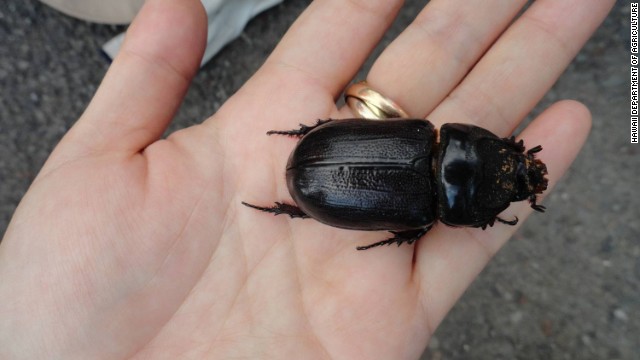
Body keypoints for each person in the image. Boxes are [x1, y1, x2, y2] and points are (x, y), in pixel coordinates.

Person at [0, 0, 614, 358]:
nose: (509, 166)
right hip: (325, 180)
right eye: (508, 162)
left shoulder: (427, 135)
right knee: (383, 214)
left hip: (325, 173)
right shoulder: (428, 202)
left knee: (345, 189)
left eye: (507, 173)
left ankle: (290, 197)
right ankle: (290, 201)